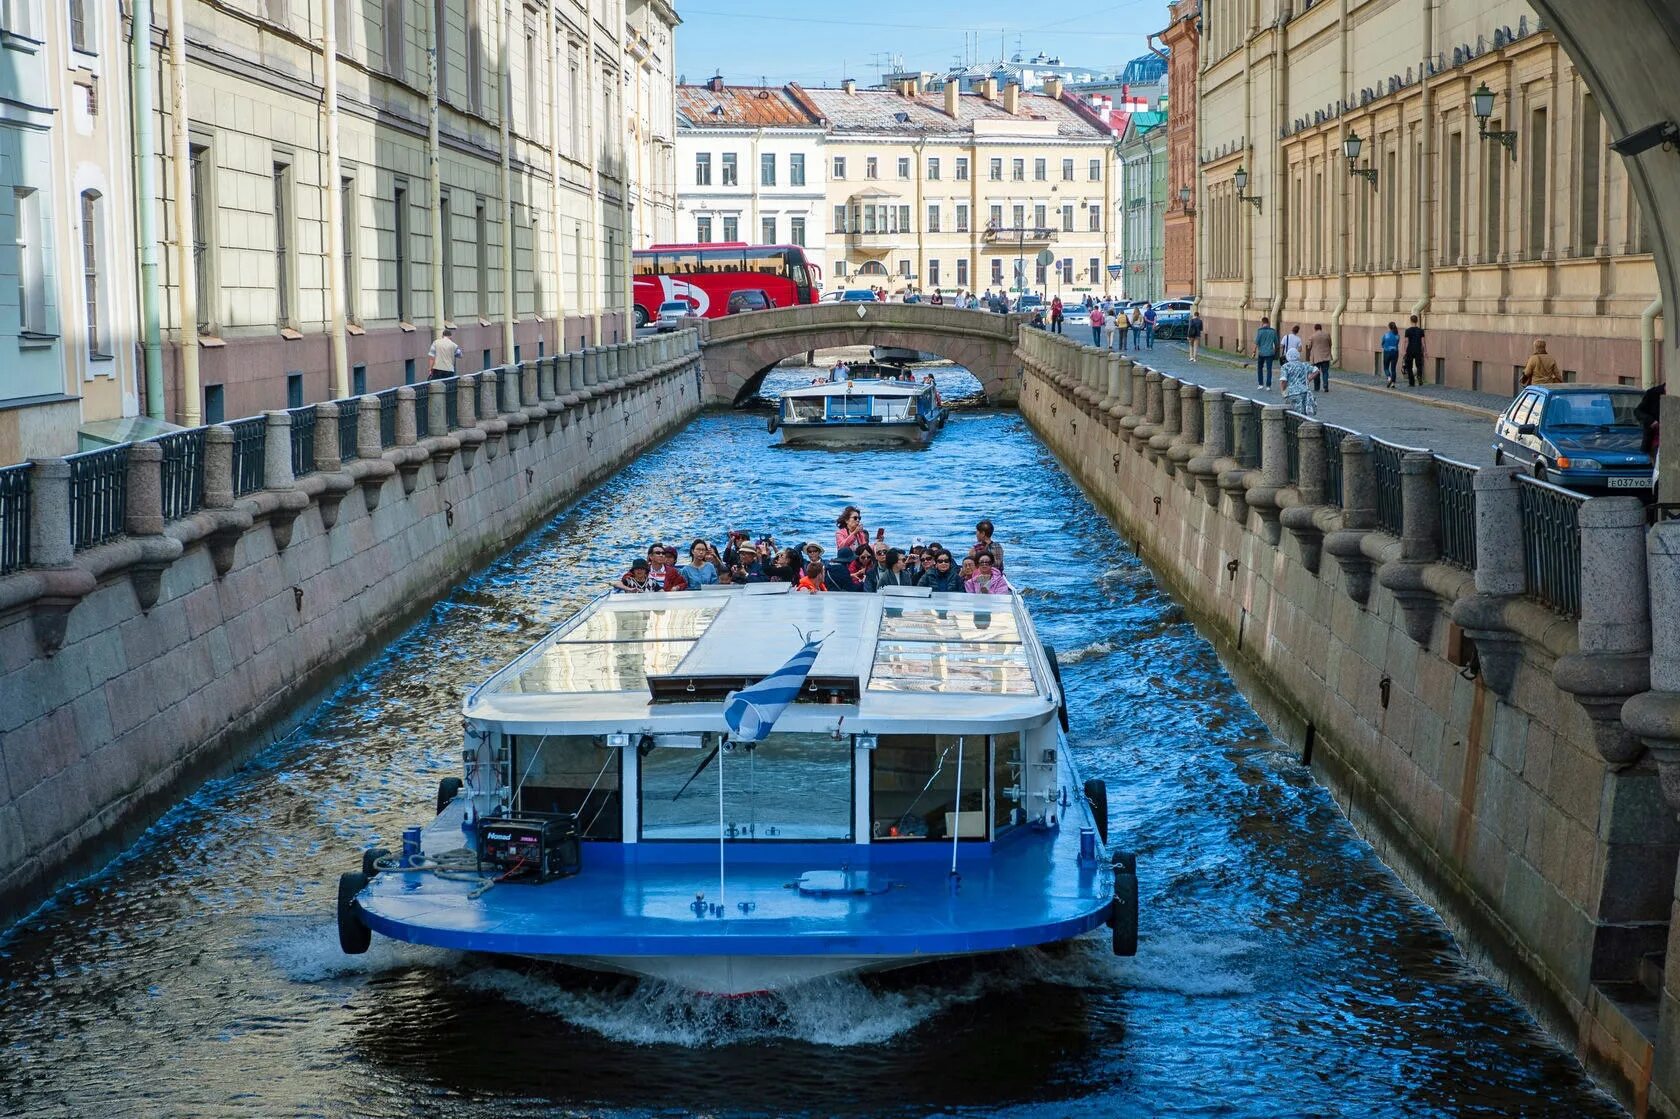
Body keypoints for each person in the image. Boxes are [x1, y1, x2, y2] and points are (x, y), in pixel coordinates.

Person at [1280, 352, 1318, 417]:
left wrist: (1283, 391)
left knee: (1293, 413)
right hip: (1304, 392)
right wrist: (1309, 379)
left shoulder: (1286, 366)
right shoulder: (1304, 365)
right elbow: (1316, 370)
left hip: (1291, 393)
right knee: (1303, 413)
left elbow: (1283, 381)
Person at [1254, 316, 1279, 388]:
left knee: (1260, 368)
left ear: (1262, 323)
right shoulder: (1273, 331)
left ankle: (1260, 384)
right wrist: (1275, 350)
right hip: (1270, 352)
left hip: (1261, 352)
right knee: (1269, 369)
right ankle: (1268, 385)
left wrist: (1254, 350)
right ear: (1268, 323)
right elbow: (1276, 343)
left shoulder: (1260, 331)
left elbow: (1257, 342)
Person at [1402, 315, 1426, 387]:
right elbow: (1423, 342)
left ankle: (1411, 382)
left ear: (1411, 321)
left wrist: (1404, 351)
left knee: (1409, 366)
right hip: (1418, 350)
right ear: (1417, 321)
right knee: (1419, 365)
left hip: (1410, 350)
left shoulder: (1408, 330)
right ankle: (1419, 377)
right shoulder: (1421, 330)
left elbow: (1406, 341)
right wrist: (1425, 351)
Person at [1308, 323, 1332, 392]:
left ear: (1315, 329)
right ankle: (1325, 385)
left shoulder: (1312, 336)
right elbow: (1330, 344)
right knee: (1325, 372)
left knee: (1316, 372)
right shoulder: (1327, 335)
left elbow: (1309, 346)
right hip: (1326, 356)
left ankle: (1317, 387)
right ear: (1321, 328)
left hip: (1316, 357)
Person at [1381, 322, 1401, 388]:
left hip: (1387, 352)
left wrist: (1384, 346)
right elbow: (1397, 343)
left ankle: (1389, 378)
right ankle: (1393, 384)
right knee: (1393, 369)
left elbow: (1382, 343)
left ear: (1389, 327)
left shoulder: (1386, 335)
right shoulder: (1397, 335)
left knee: (1386, 367)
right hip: (1395, 352)